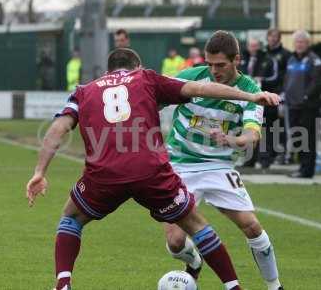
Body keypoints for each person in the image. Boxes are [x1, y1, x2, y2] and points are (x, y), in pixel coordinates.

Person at [26, 48, 280, 290]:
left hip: (104, 174)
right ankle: (233, 286)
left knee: (71, 218)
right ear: (137, 66)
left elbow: (58, 129)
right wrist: (250, 96)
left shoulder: (83, 91)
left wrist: (39, 172)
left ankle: (63, 283)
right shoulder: (146, 78)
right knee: (196, 225)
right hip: (149, 171)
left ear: (108, 70)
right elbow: (201, 88)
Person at [163, 31, 284, 290]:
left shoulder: (250, 90)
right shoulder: (189, 78)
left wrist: (233, 140)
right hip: (180, 165)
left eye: (220, 65)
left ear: (236, 60)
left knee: (251, 226)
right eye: (209, 64)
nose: (214, 70)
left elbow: (252, 134)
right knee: (175, 242)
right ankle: (194, 262)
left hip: (219, 167)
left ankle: (275, 286)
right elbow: (155, 98)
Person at [283, 30, 321, 178]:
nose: (299, 44)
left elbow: (317, 82)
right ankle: (302, 167)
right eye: (297, 42)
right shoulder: (292, 60)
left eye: (302, 42)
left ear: (308, 43)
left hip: (308, 106)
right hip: (293, 105)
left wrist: (306, 97)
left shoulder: (314, 60)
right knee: (298, 137)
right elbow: (287, 81)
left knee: (308, 138)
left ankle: (307, 170)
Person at [240, 37, 278, 168]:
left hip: (265, 99)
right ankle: (250, 159)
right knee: (249, 129)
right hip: (248, 100)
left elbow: (276, 77)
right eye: (251, 45)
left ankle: (265, 160)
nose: (253, 48)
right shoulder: (242, 59)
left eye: (255, 46)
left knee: (266, 131)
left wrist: (261, 80)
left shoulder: (268, 59)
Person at [265, 28, 292, 165]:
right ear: (267, 37)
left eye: (276, 36)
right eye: (271, 36)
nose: (273, 39)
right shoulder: (262, 54)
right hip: (264, 97)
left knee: (280, 126)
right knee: (267, 127)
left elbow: (288, 77)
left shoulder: (287, 55)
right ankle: (267, 154)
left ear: (280, 38)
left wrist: (284, 94)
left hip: (280, 96)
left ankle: (282, 154)